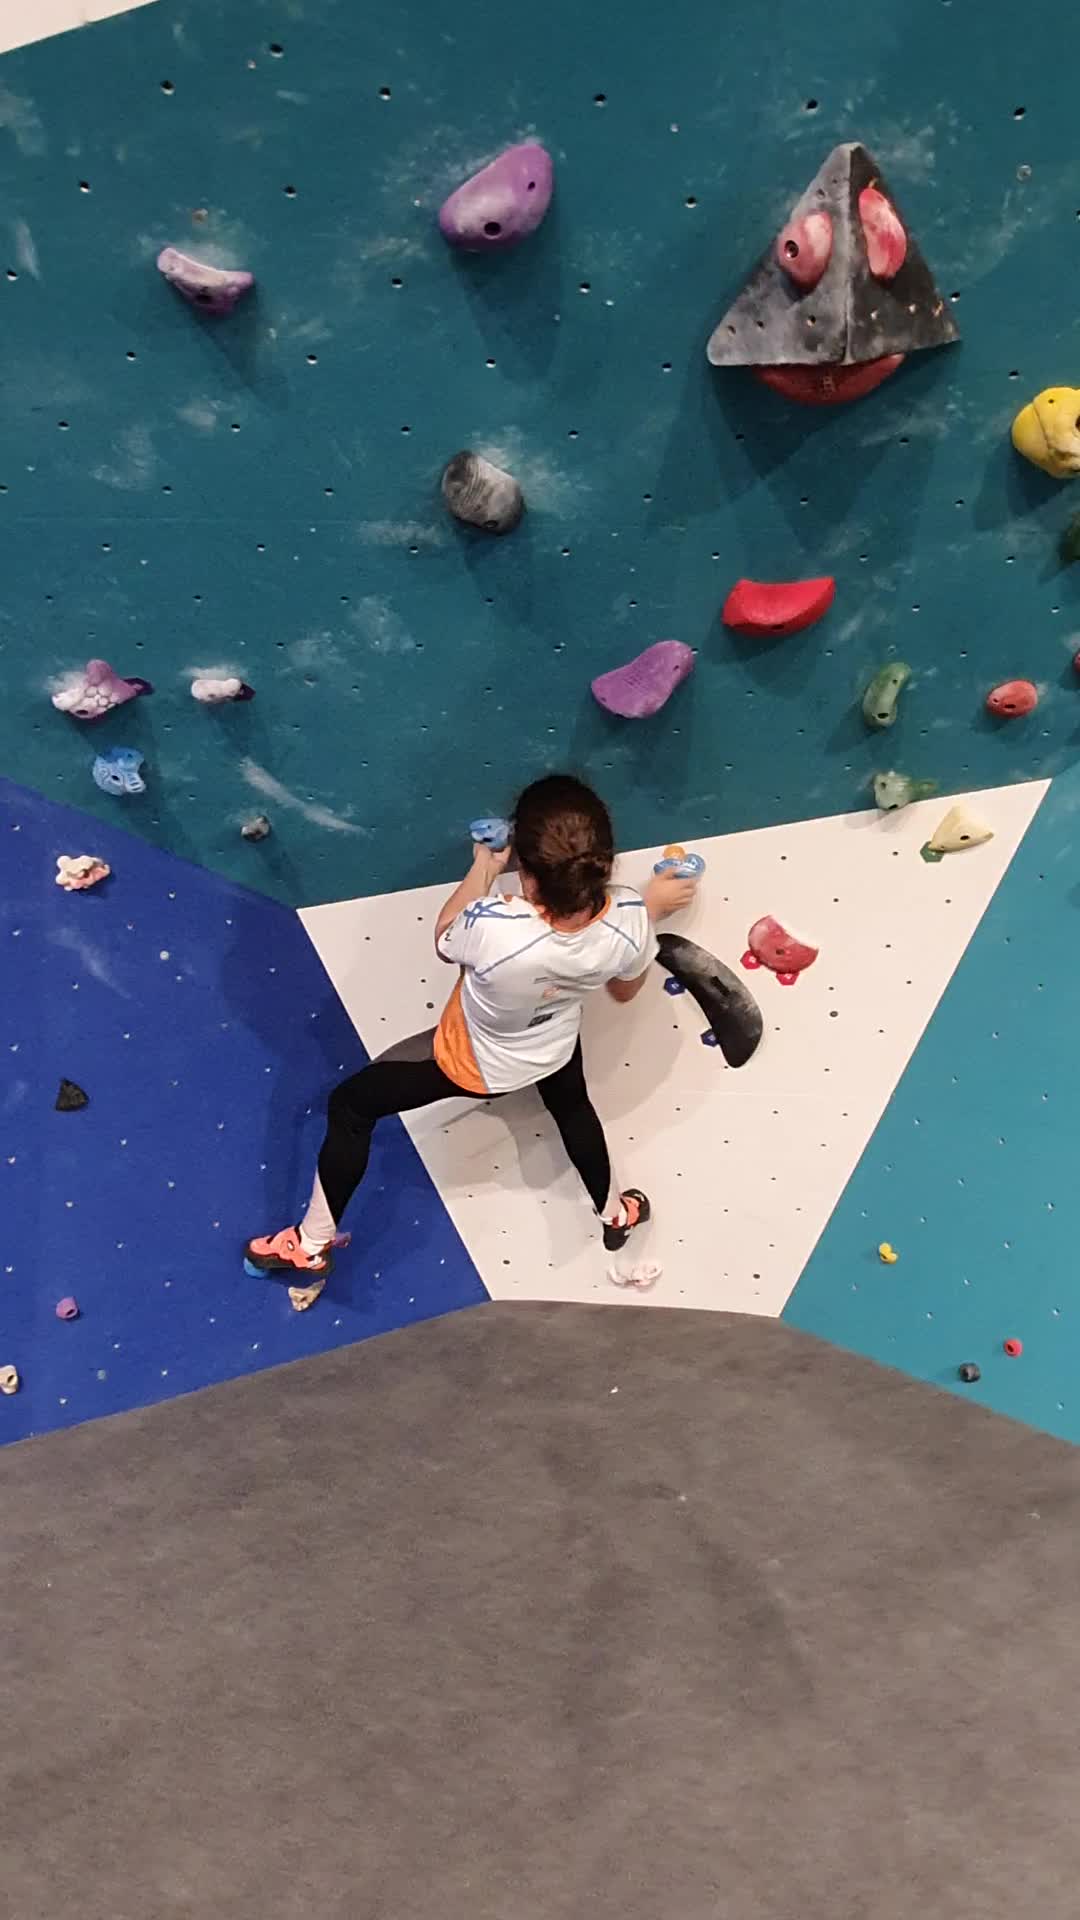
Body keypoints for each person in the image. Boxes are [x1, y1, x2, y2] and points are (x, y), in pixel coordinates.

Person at [244, 773, 696, 1301]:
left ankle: (310, 1243)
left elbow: (444, 936)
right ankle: (616, 1214)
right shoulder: (630, 918)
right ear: (606, 863)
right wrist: (651, 908)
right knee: (572, 1108)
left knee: (350, 1105)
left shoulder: (494, 925)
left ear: (527, 873)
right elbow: (623, 989)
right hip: (553, 1045)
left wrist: (484, 866)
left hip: (472, 1063)